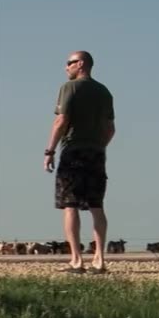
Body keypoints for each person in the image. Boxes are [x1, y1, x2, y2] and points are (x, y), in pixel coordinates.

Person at [44, 51, 115, 274]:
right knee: (96, 205)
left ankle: (76, 260)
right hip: (96, 152)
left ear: (80, 64)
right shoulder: (104, 92)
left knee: (70, 204)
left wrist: (50, 150)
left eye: (70, 63)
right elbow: (110, 129)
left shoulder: (69, 88)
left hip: (73, 151)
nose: (66, 67)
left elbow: (61, 120)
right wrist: (100, 146)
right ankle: (99, 259)